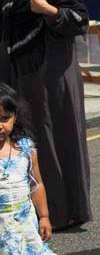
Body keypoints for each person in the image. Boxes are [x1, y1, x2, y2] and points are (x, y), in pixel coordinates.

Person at [0, 0, 91, 231]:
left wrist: (50, 10)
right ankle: (48, 210)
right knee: (38, 140)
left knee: (63, 137)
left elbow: (80, 20)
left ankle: (72, 210)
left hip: (55, 72)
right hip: (26, 77)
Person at [0, 83, 54, 255]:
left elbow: (36, 184)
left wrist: (44, 216)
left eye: (4, 118)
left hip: (24, 226)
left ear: (15, 117)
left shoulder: (26, 151)